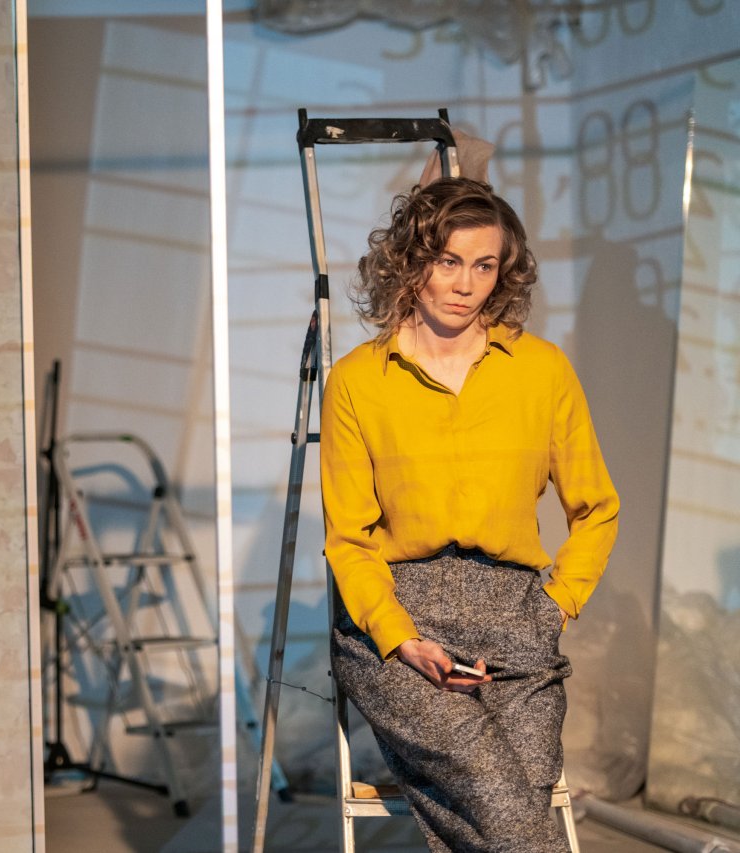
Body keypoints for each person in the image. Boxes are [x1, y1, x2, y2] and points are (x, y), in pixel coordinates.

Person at [321, 177, 619, 851]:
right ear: (411, 261)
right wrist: (399, 638)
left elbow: (598, 507)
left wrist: (554, 607)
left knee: (514, 807)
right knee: (507, 812)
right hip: (397, 622)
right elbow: (349, 539)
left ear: (503, 273)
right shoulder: (358, 381)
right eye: (448, 261)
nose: (464, 284)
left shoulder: (542, 370)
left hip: (516, 619)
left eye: (484, 266)